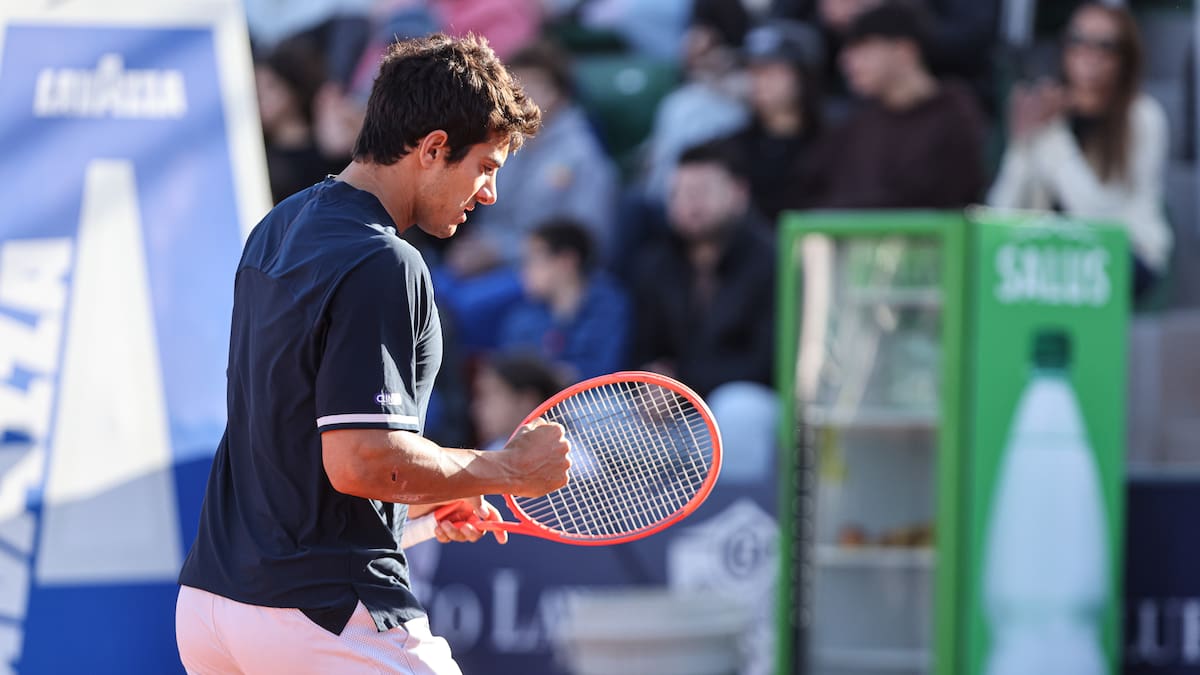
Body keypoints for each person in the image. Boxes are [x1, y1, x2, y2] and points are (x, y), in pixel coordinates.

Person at [175, 34, 572, 675]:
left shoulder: (278, 224)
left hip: (212, 607)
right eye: (487, 167)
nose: (491, 193)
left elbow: (298, 446)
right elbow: (362, 462)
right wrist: (508, 471)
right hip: (323, 617)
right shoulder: (383, 261)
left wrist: (430, 492)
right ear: (433, 148)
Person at [987, 3, 1172, 301]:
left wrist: (1052, 139)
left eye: (1105, 46)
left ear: (1125, 57)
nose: (1089, 55)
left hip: (1126, 254)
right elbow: (1001, 214)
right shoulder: (1045, 113)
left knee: (1076, 267)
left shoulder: (1143, 117)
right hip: (1052, 258)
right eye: (1077, 40)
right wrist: (1022, 143)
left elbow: (1101, 224)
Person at [798, 1, 986, 210]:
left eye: (862, 46)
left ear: (904, 51)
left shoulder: (954, 116)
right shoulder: (857, 125)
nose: (847, 61)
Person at [499, 219, 630, 381]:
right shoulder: (521, 315)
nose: (524, 271)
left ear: (566, 261)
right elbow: (513, 373)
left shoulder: (609, 305)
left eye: (533, 260)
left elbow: (606, 368)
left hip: (593, 398)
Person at [730, 18, 825, 223]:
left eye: (771, 70)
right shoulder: (731, 148)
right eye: (753, 71)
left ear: (802, 75)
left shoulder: (836, 143)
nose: (758, 82)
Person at [471, 351, 567, 451]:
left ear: (525, 402)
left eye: (489, 395)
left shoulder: (569, 453)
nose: (476, 407)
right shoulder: (493, 448)